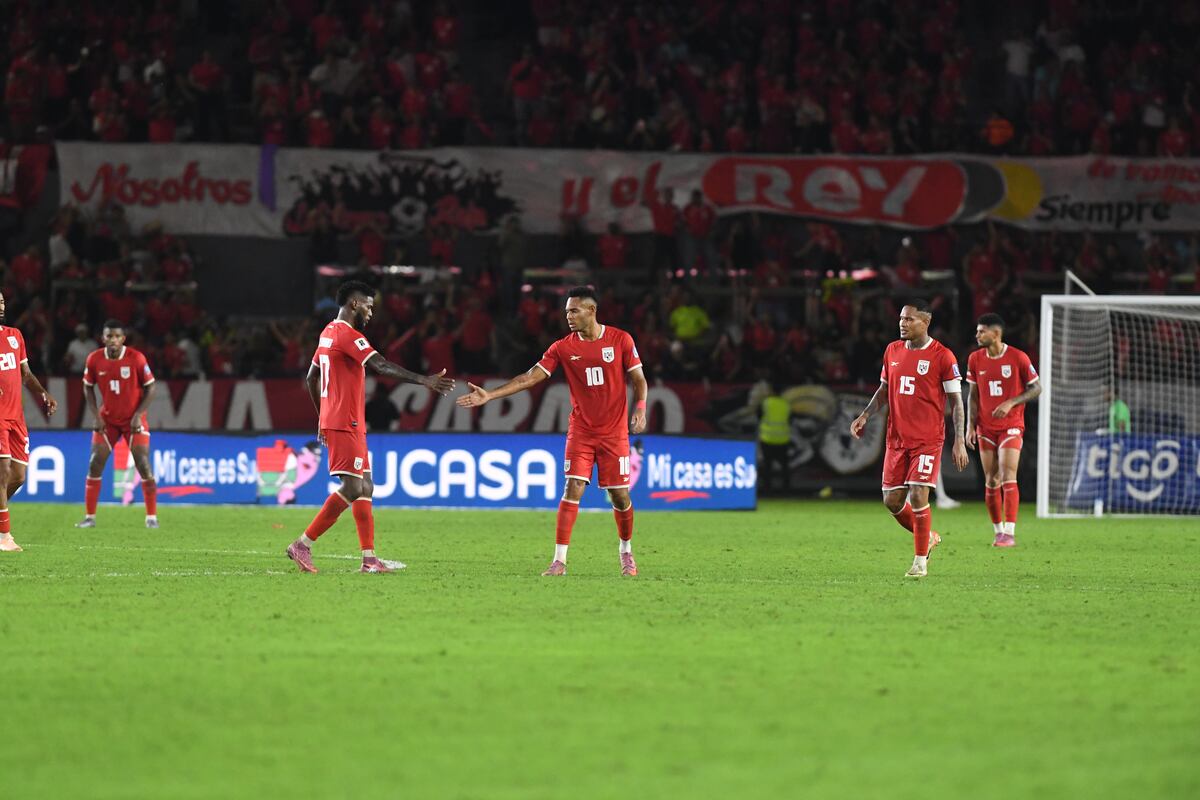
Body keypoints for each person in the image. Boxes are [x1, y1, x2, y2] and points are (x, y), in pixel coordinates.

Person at [457, 286, 648, 576]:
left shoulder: (621, 339)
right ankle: (559, 561)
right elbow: (529, 377)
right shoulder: (562, 347)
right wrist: (490, 395)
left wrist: (641, 408)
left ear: (592, 310)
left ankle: (626, 551)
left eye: (574, 311)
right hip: (581, 431)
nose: (568, 316)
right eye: (567, 312)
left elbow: (639, 379)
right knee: (573, 488)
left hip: (614, 433)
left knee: (619, 495)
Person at [285, 281, 455, 574]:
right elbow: (381, 365)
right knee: (353, 487)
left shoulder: (328, 332)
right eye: (368, 306)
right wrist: (424, 380)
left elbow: (312, 377)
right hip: (344, 420)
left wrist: (322, 417)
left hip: (345, 420)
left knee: (365, 486)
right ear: (354, 304)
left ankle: (369, 558)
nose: (371, 312)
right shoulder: (349, 335)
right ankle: (303, 544)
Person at [850, 300, 969, 577]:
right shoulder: (892, 350)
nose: (902, 324)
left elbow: (956, 402)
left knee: (918, 494)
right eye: (901, 319)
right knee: (892, 501)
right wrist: (865, 415)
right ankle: (928, 536)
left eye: (909, 319)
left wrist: (959, 440)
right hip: (897, 439)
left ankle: (919, 563)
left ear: (925, 322)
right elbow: (884, 390)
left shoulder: (943, 356)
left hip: (927, 439)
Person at [965, 313, 1041, 548]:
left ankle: (1010, 532)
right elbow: (973, 396)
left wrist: (1011, 402)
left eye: (982, 331)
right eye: (977, 331)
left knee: (1008, 475)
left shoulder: (1018, 357)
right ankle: (998, 531)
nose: (977, 335)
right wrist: (970, 425)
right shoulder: (975, 359)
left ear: (996, 333)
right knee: (991, 479)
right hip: (985, 427)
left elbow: (1037, 388)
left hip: (1011, 425)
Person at [75, 321, 160, 529]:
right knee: (95, 462)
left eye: (117, 336)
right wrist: (96, 415)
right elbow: (87, 387)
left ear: (123, 339)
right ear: (103, 338)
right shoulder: (94, 359)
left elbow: (151, 388)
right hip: (108, 420)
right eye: (109, 336)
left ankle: (151, 517)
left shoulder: (136, 358)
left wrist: (138, 414)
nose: (113, 340)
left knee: (143, 463)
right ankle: (89, 517)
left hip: (133, 420)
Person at [0, 291, 59, 552]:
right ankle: (4, 537)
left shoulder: (15, 335)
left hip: (16, 417)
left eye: (2, 301)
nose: (1, 306)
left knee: (19, 476)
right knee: (2, 472)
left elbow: (25, 374)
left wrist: (43, 393)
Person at [757, 379, 791, 495]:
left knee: (767, 466)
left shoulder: (766, 403)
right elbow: (790, 420)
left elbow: (758, 416)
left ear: (771, 390)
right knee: (784, 467)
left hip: (767, 438)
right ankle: (786, 490)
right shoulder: (786, 404)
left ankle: (767, 490)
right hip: (782, 439)